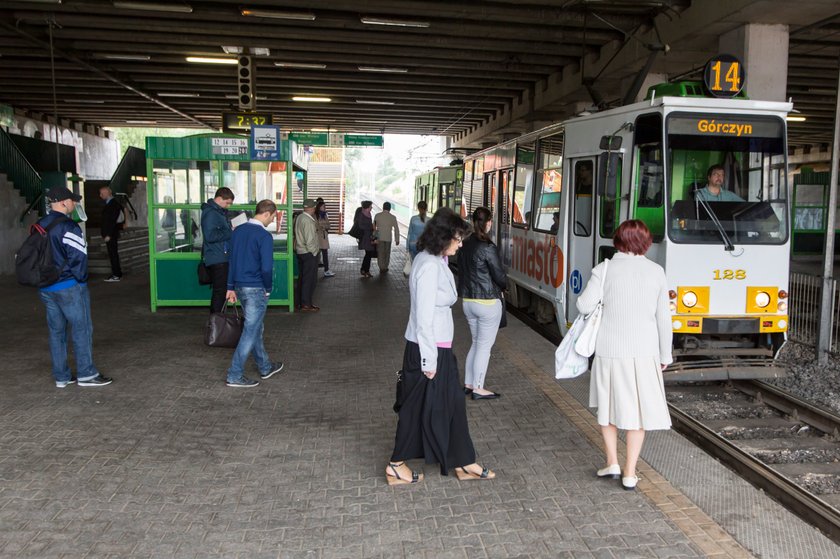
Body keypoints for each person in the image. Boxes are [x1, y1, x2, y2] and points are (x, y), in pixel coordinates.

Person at [386, 207, 495, 485]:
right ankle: (396, 464)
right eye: (457, 239)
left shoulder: (435, 260)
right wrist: (428, 361)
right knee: (414, 407)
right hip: (428, 349)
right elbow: (423, 316)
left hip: (438, 347)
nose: (461, 244)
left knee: (453, 403)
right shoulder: (429, 266)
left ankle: (462, 459)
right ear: (443, 237)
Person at [576, 219, 672, 491]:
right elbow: (664, 319)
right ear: (645, 242)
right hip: (645, 352)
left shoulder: (604, 269)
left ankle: (612, 462)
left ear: (617, 240)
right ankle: (630, 472)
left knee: (608, 408)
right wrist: (666, 354)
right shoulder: (656, 272)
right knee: (637, 413)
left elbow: (583, 305)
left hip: (609, 352)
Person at [38, 186, 113, 388]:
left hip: (46, 287)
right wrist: (80, 281)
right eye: (72, 200)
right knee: (82, 328)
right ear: (63, 202)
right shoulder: (68, 226)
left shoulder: (39, 225)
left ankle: (61, 377)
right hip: (68, 286)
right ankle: (87, 373)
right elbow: (78, 258)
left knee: (56, 332)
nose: (74, 203)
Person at [225, 199, 284, 388]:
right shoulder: (264, 236)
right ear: (266, 213)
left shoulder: (238, 231)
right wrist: (268, 288)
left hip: (240, 287)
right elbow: (266, 268)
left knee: (255, 328)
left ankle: (265, 367)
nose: (272, 221)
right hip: (256, 288)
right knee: (250, 331)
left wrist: (230, 287)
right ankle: (234, 374)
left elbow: (232, 261)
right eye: (273, 217)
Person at [457, 207, 507, 400]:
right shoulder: (487, 246)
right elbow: (498, 274)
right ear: (487, 223)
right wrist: (505, 286)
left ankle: (469, 384)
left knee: (476, 343)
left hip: (468, 301)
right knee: (484, 347)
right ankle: (478, 388)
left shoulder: (465, 243)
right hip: (486, 302)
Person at [201, 187, 235, 314]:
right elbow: (210, 236)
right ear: (219, 198)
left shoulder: (217, 212)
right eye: (227, 203)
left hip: (220, 256)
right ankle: (216, 324)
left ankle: (217, 322)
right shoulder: (211, 213)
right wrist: (230, 231)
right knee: (219, 293)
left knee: (220, 292)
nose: (228, 206)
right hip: (218, 258)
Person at [294, 198, 320, 312]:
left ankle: (299, 302)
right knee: (309, 280)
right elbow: (309, 240)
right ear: (312, 208)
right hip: (308, 253)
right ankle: (306, 304)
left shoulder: (300, 217)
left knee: (303, 278)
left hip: (301, 251)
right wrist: (314, 252)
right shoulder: (308, 221)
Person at [99, 186, 124, 282]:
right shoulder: (111, 203)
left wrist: (108, 234)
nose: (100, 195)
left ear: (108, 193)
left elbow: (112, 220)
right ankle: (117, 273)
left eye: (102, 193)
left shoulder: (112, 204)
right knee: (113, 253)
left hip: (111, 234)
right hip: (111, 233)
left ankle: (116, 274)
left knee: (113, 254)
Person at [374, 202, 400, 273]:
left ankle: (381, 267)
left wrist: (374, 238)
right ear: (390, 208)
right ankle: (385, 266)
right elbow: (396, 229)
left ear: (383, 207)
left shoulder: (377, 216)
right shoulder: (393, 217)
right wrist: (397, 239)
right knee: (387, 253)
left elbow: (374, 227)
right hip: (388, 238)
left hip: (380, 237)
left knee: (380, 253)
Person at [355, 200, 377, 278]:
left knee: (368, 254)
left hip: (369, 237)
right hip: (365, 237)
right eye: (371, 206)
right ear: (367, 207)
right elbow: (361, 226)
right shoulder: (362, 215)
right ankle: (365, 270)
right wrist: (371, 227)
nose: (371, 207)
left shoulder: (368, 214)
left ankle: (364, 270)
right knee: (369, 253)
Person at [315, 198, 335, 278]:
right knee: (316, 254)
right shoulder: (315, 215)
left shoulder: (325, 215)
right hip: (317, 237)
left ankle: (326, 270)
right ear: (319, 207)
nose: (324, 207)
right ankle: (316, 270)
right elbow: (316, 225)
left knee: (325, 254)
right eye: (323, 206)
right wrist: (322, 227)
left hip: (323, 237)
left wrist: (324, 227)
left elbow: (328, 225)